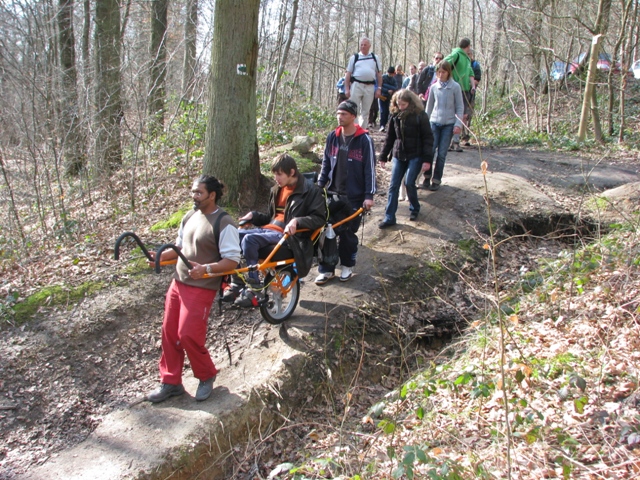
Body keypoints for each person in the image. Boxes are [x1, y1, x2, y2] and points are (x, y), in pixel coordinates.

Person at [147, 175, 241, 404]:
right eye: (192, 192)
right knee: (169, 334)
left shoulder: (224, 222)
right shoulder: (190, 216)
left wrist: (206, 268)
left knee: (188, 334)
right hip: (178, 282)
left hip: (201, 287)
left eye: (198, 193)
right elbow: (180, 247)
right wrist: (158, 257)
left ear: (212, 195)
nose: (194, 197)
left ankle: (206, 375)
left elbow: (232, 261)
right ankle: (171, 382)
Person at [228, 154, 327, 306]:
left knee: (249, 239)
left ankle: (254, 284)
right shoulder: (276, 190)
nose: (276, 178)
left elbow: (320, 219)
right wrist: (253, 216)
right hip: (269, 231)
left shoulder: (311, 191)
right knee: (230, 235)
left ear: (292, 172)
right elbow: (270, 217)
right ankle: (237, 281)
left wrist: (297, 221)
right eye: (274, 174)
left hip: (290, 238)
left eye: (279, 174)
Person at [316, 100, 376, 284]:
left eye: (343, 114)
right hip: (333, 193)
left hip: (355, 197)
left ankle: (347, 267)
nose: (339, 117)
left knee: (348, 234)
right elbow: (326, 163)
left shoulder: (364, 140)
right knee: (327, 231)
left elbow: (370, 169)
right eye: (338, 113)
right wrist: (319, 185)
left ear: (353, 116)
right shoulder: (332, 137)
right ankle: (326, 269)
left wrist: (369, 196)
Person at [378, 89, 434, 228]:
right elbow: (389, 138)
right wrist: (383, 156)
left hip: (416, 154)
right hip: (398, 154)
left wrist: (427, 160)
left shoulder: (420, 115)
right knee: (393, 185)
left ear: (410, 102)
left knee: (409, 183)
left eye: (403, 104)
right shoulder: (395, 116)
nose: (400, 107)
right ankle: (389, 217)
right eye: (398, 104)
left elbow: (428, 138)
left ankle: (415, 208)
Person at [425, 60, 464, 191]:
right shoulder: (434, 87)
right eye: (439, 72)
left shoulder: (455, 87)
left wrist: (458, 124)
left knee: (442, 153)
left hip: (448, 124)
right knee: (430, 150)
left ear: (448, 72)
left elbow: (459, 107)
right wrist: (425, 124)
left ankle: (436, 179)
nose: (441, 74)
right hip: (434, 122)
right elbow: (429, 107)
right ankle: (426, 175)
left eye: (443, 72)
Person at [444, 38, 477, 152]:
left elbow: (471, 73)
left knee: (462, 116)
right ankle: (448, 142)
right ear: (467, 46)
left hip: (465, 90)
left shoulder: (467, 58)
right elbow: (443, 64)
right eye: (469, 46)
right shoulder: (456, 54)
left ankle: (456, 141)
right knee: (453, 115)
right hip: (455, 88)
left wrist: (472, 86)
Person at [344, 37, 383, 127]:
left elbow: (379, 74)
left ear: (369, 46)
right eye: (361, 45)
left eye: (365, 45)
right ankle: (354, 129)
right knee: (353, 108)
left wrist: (379, 89)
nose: (363, 46)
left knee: (366, 111)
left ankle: (362, 131)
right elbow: (348, 74)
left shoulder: (374, 58)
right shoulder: (355, 57)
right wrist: (347, 88)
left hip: (370, 86)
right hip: (356, 85)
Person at [461, 52, 482, 146]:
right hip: (461, 94)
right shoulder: (461, 64)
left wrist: (469, 84)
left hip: (470, 94)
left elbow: (477, 80)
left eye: (469, 54)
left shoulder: (475, 65)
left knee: (468, 115)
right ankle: (461, 135)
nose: (467, 56)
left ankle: (466, 136)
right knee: (461, 115)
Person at [379, 66, 398, 132]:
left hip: (389, 98)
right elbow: (380, 86)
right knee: (382, 111)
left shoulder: (393, 79)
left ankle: (385, 124)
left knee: (388, 112)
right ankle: (382, 125)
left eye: (391, 74)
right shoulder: (383, 77)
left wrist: (389, 88)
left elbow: (395, 87)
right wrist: (387, 90)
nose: (390, 75)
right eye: (389, 73)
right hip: (382, 96)